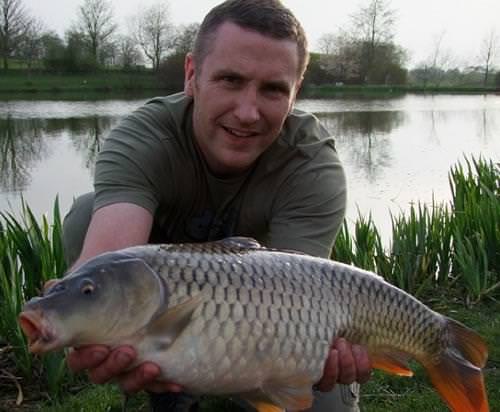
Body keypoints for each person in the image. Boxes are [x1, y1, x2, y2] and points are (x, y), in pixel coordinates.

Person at [62, 0, 372, 411]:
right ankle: (168, 385)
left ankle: (221, 382)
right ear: (192, 75)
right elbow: (107, 261)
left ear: (296, 92)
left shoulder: (312, 165)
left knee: (322, 386)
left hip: (268, 316)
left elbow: (302, 301)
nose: (247, 112)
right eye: (230, 80)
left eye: (273, 89)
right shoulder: (143, 138)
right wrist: (76, 325)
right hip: (167, 311)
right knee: (87, 215)